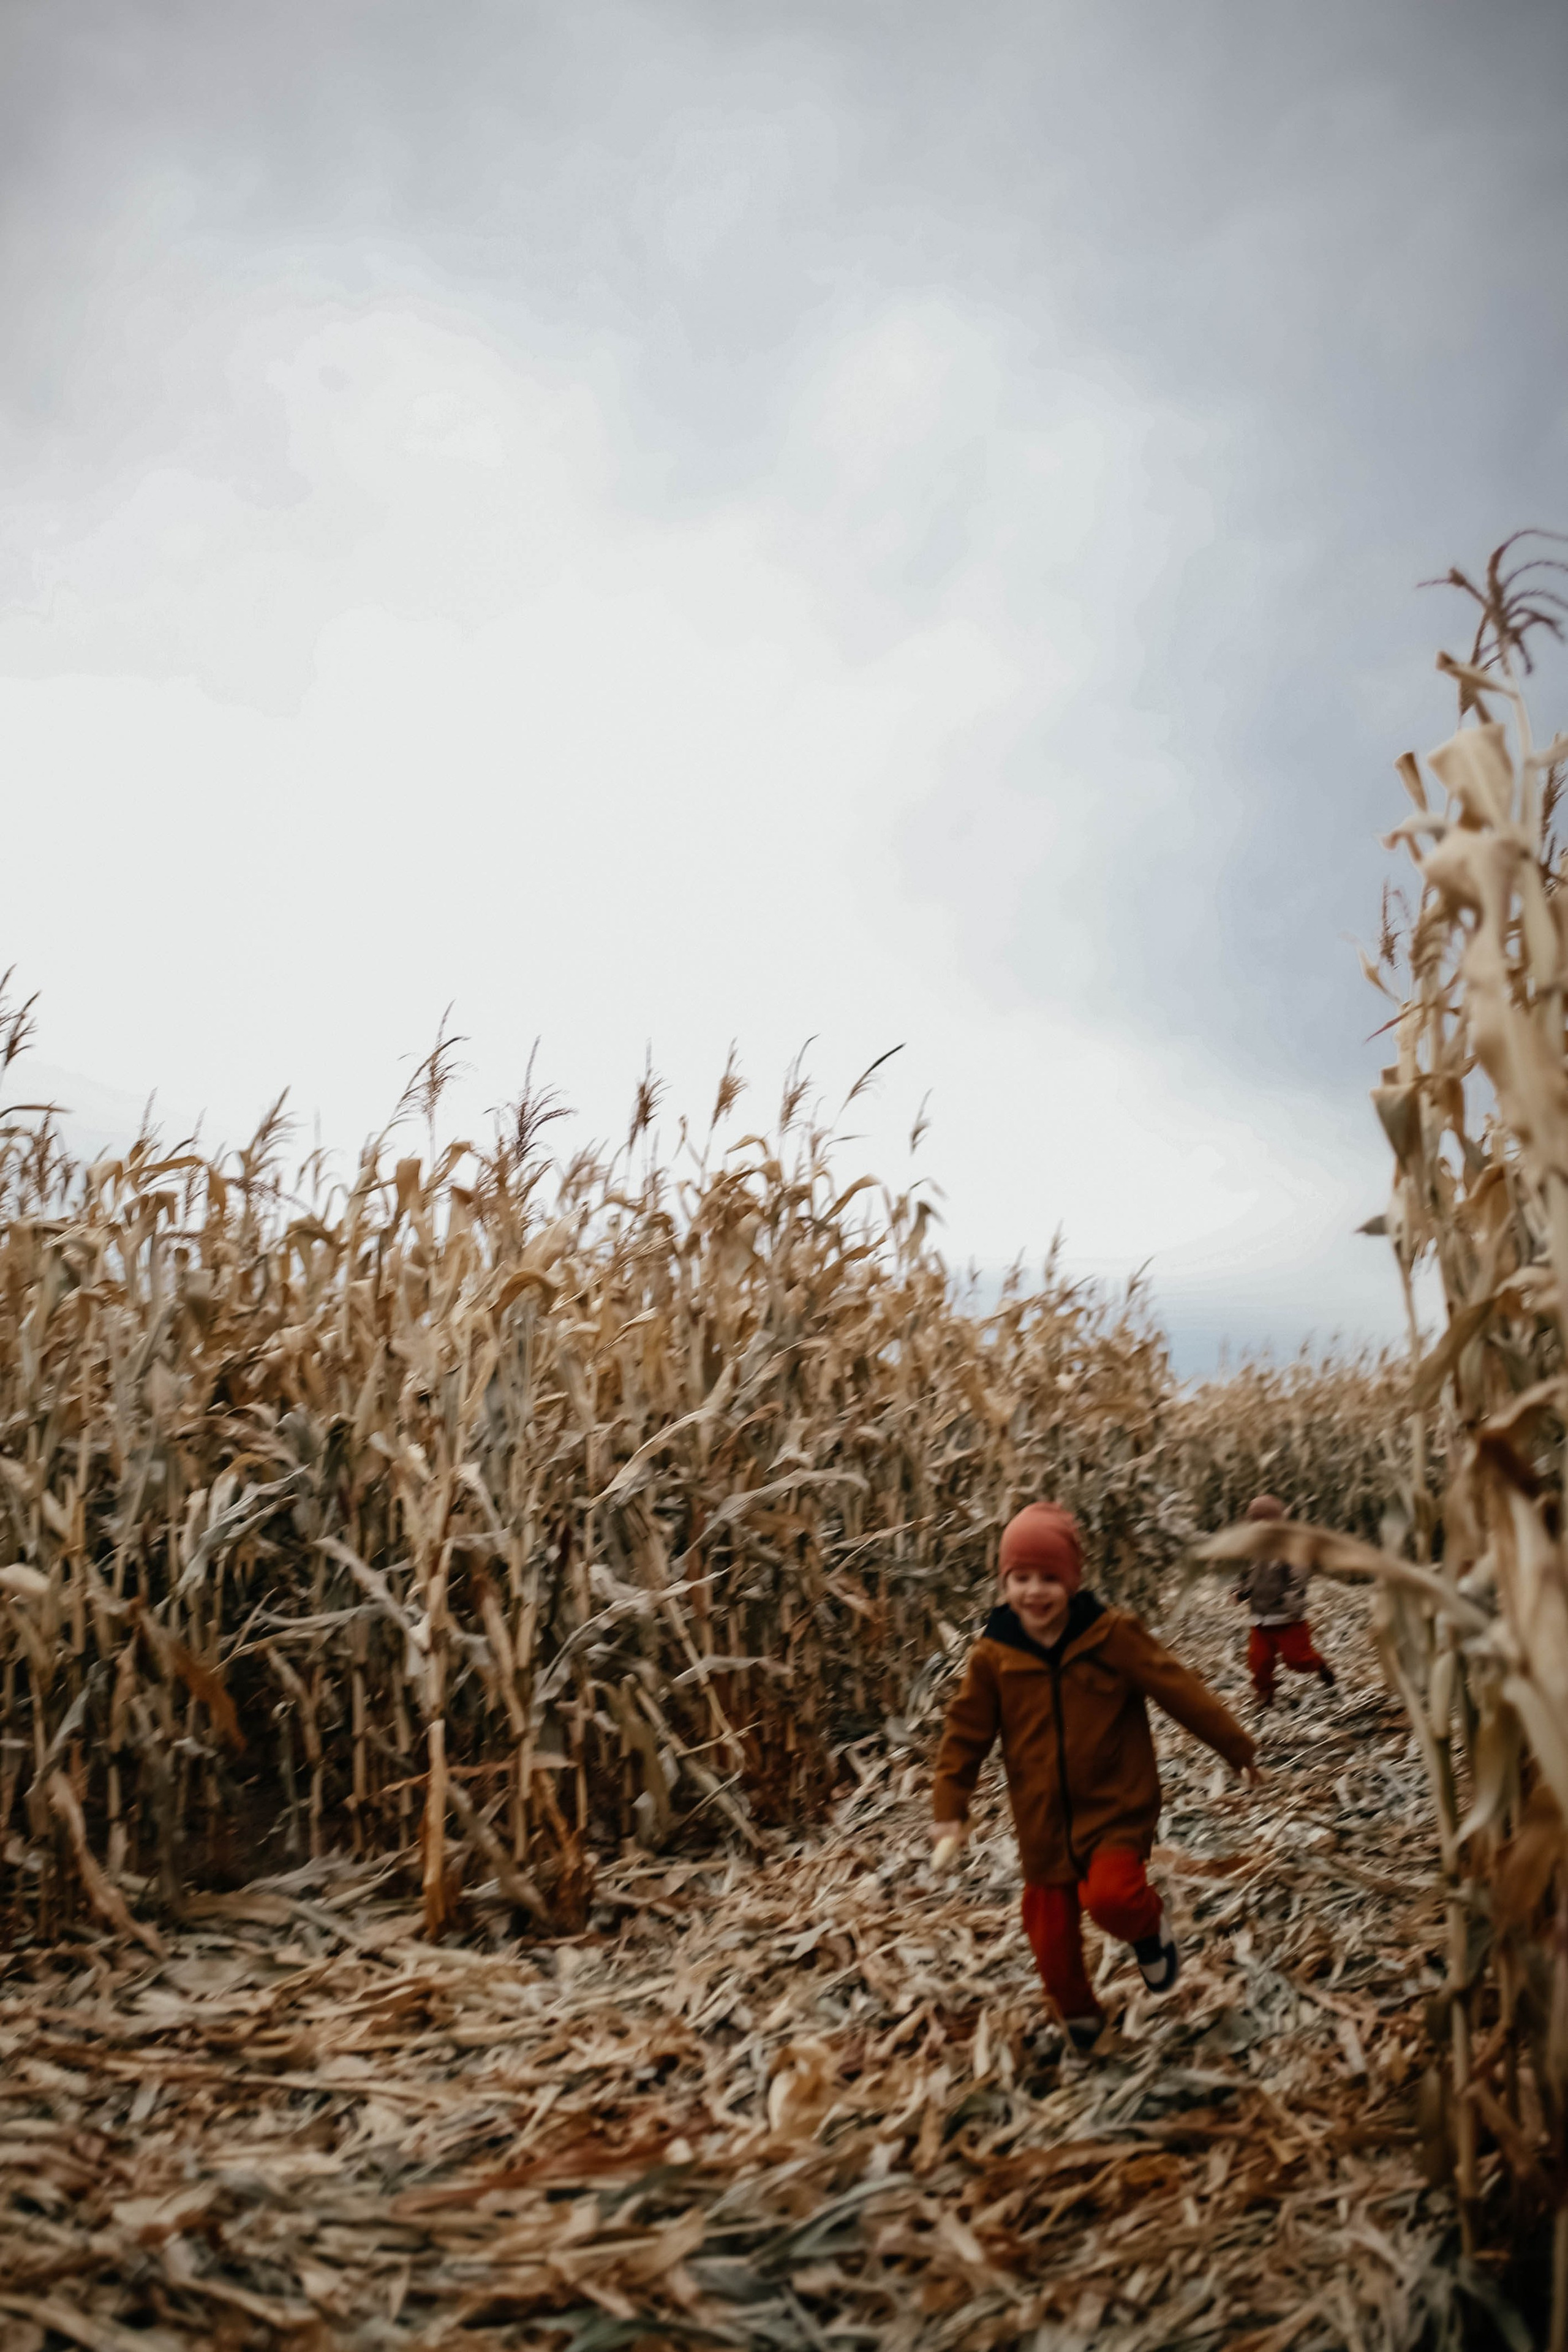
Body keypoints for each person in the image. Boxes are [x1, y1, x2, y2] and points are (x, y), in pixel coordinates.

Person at [930, 1501, 1259, 2054]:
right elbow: (965, 1732)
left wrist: (1235, 1745)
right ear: (1004, 1581)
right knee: (1050, 1938)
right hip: (1042, 1823)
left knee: (1113, 1899)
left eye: (1049, 1578)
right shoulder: (995, 1656)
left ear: (1073, 1581)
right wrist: (949, 1808)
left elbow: (1176, 1687)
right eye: (1021, 1578)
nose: (1035, 1592)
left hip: (1115, 1806)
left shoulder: (1111, 1637)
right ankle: (1080, 2019)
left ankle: (1150, 1930)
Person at [1234, 1493, 1335, 1708]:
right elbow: (1245, 1575)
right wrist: (1239, 1591)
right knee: (1258, 1661)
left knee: (1298, 1661)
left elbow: (1298, 1579)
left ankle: (1320, 1666)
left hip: (1288, 1619)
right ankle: (1265, 1692)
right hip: (1260, 1618)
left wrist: (1291, 1605)